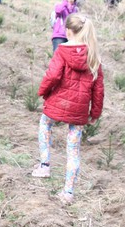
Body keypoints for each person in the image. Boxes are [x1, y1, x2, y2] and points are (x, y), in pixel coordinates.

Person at [32, 14, 104, 204]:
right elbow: (98, 89)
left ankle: (45, 165)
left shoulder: (62, 51)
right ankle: (68, 192)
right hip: (79, 109)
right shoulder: (93, 55)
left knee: (45, 124)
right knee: (73, 149)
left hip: (59, 102)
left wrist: (43, 91)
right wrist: (94, 113)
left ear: (68, 32)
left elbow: (53, 75)